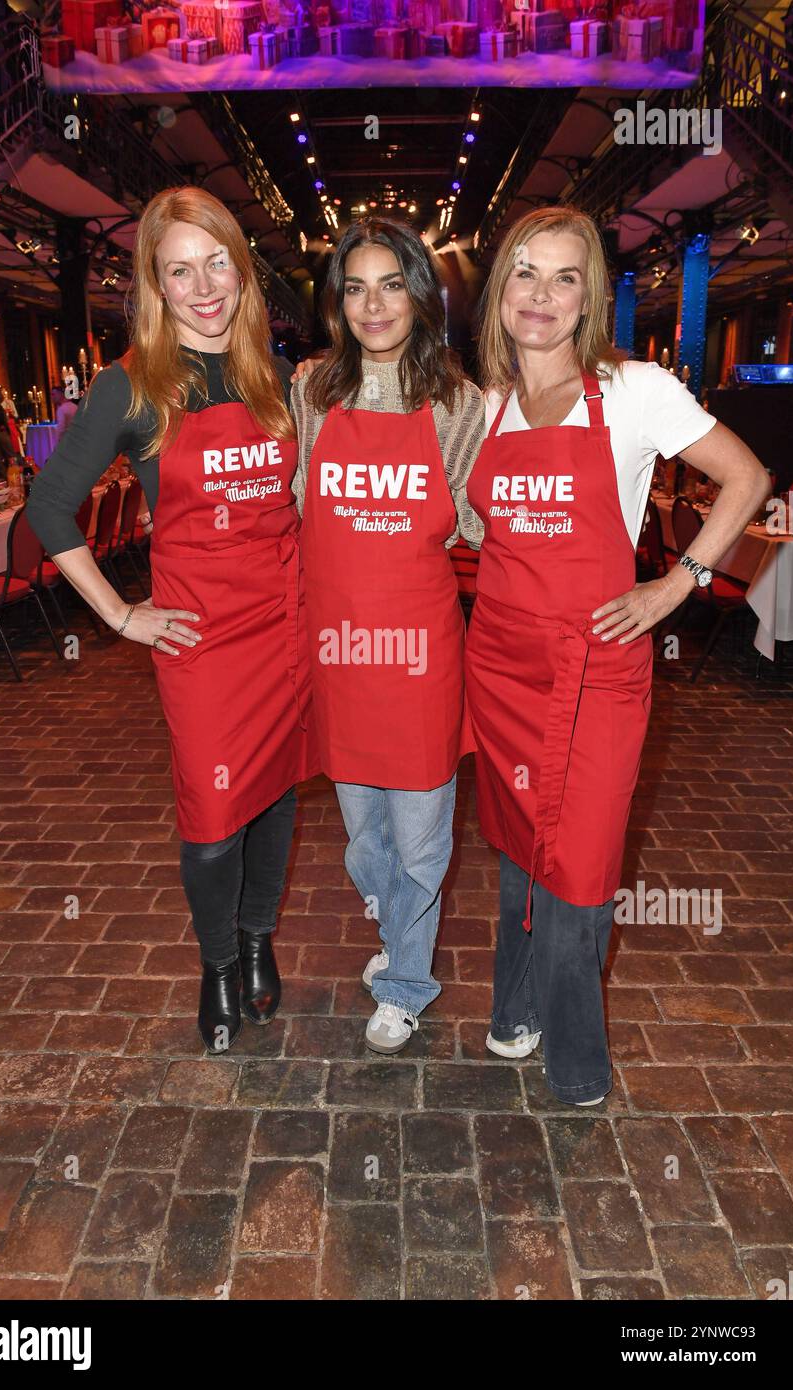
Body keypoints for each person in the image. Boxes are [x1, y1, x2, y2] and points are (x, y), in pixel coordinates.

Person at [463, 204, 769, 1105]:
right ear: (501, 292)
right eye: (526, 273)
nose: (543, 296)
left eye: (566, 278)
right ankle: (513, 1007)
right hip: (504, 662)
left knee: (585, 855)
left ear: (590, 296)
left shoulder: (636, 391)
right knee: (521, 839)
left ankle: (574, 1039)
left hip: (600, 663)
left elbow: (746, 478)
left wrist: (676, 584)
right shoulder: (485, 406)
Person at [27, 186, 319, 1053]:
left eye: (216, 262)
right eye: (179, 269)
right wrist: (120, 615)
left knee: (274, 795)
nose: (203, 286)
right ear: (155, 283)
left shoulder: (275, 370)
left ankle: (261, 941)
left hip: (282, 621)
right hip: (198, 638)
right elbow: (49, 507)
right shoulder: (131, 384)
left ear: (240, 265)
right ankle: (219, 963)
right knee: (211, 808)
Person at [291, 216, 486, 1054]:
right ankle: (398, 918)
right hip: (337, 653)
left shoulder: (458, 402)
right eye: (356, 286)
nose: (374, 304)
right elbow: (291, 503)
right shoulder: (309, 392)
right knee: (364, 836)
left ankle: (406, 981)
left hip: (418, 659)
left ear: (421, 294)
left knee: (420, 841)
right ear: (337, 300)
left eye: (392, 283)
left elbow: (477, 521)